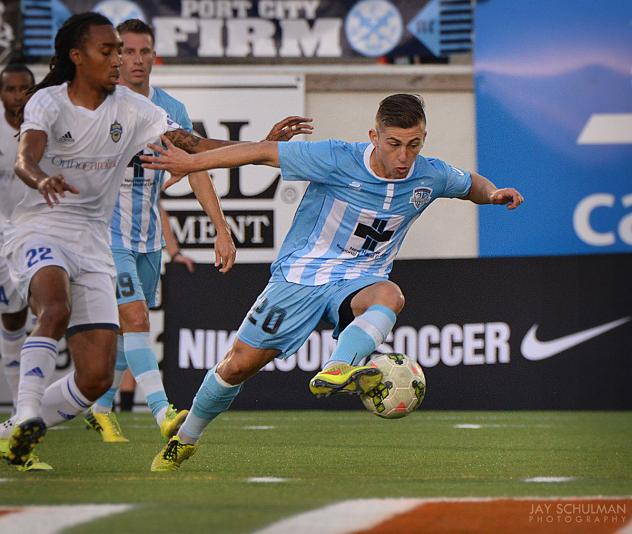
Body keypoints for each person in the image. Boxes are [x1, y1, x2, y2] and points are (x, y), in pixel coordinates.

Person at [142, 93, 524, 471]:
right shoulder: (336, 157)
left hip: (359, 279)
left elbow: (468, 183)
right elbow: (258, 153)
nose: (404, 157)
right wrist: (192, 162)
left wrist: (491, 194)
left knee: (390, 295)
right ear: (374, 137)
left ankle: (339, 365)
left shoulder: (430, 174)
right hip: (301, 278)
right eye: (394, 144)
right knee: (237, 366)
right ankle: (186, 440)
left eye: (414, 145)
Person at [2, 11, 311, 468]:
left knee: (95, 377)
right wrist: (40, 178)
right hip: (40, 227)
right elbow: (26, 158)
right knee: (58, 306)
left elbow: (193, 147)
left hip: (96, 244)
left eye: (128, 51)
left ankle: (15, 431)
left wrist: (261, 147)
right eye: (111, 51)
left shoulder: (138, 111)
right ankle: (35, 410)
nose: (122, 60)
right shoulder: (48, 102)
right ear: (77, 56)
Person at [84, 18, 236, 444]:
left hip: (148, 237)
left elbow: (198, 168)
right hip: (105, 233)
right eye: (127, 51)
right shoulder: (100, 105)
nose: (136, 59)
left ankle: (99, 409)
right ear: (115, 56)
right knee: (133, 318)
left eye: (143, 51)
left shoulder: (171, 109)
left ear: (154, 55)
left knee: (126, 327)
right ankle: (162, 413)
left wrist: (220, 228)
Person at [0, 64, 34, 417]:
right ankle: (20, 408)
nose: (18, 96)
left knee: (29, 312)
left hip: (30, 231)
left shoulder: (42, 125)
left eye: (25, 88)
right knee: (12, 317)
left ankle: (24, 409)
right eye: (11, 89)